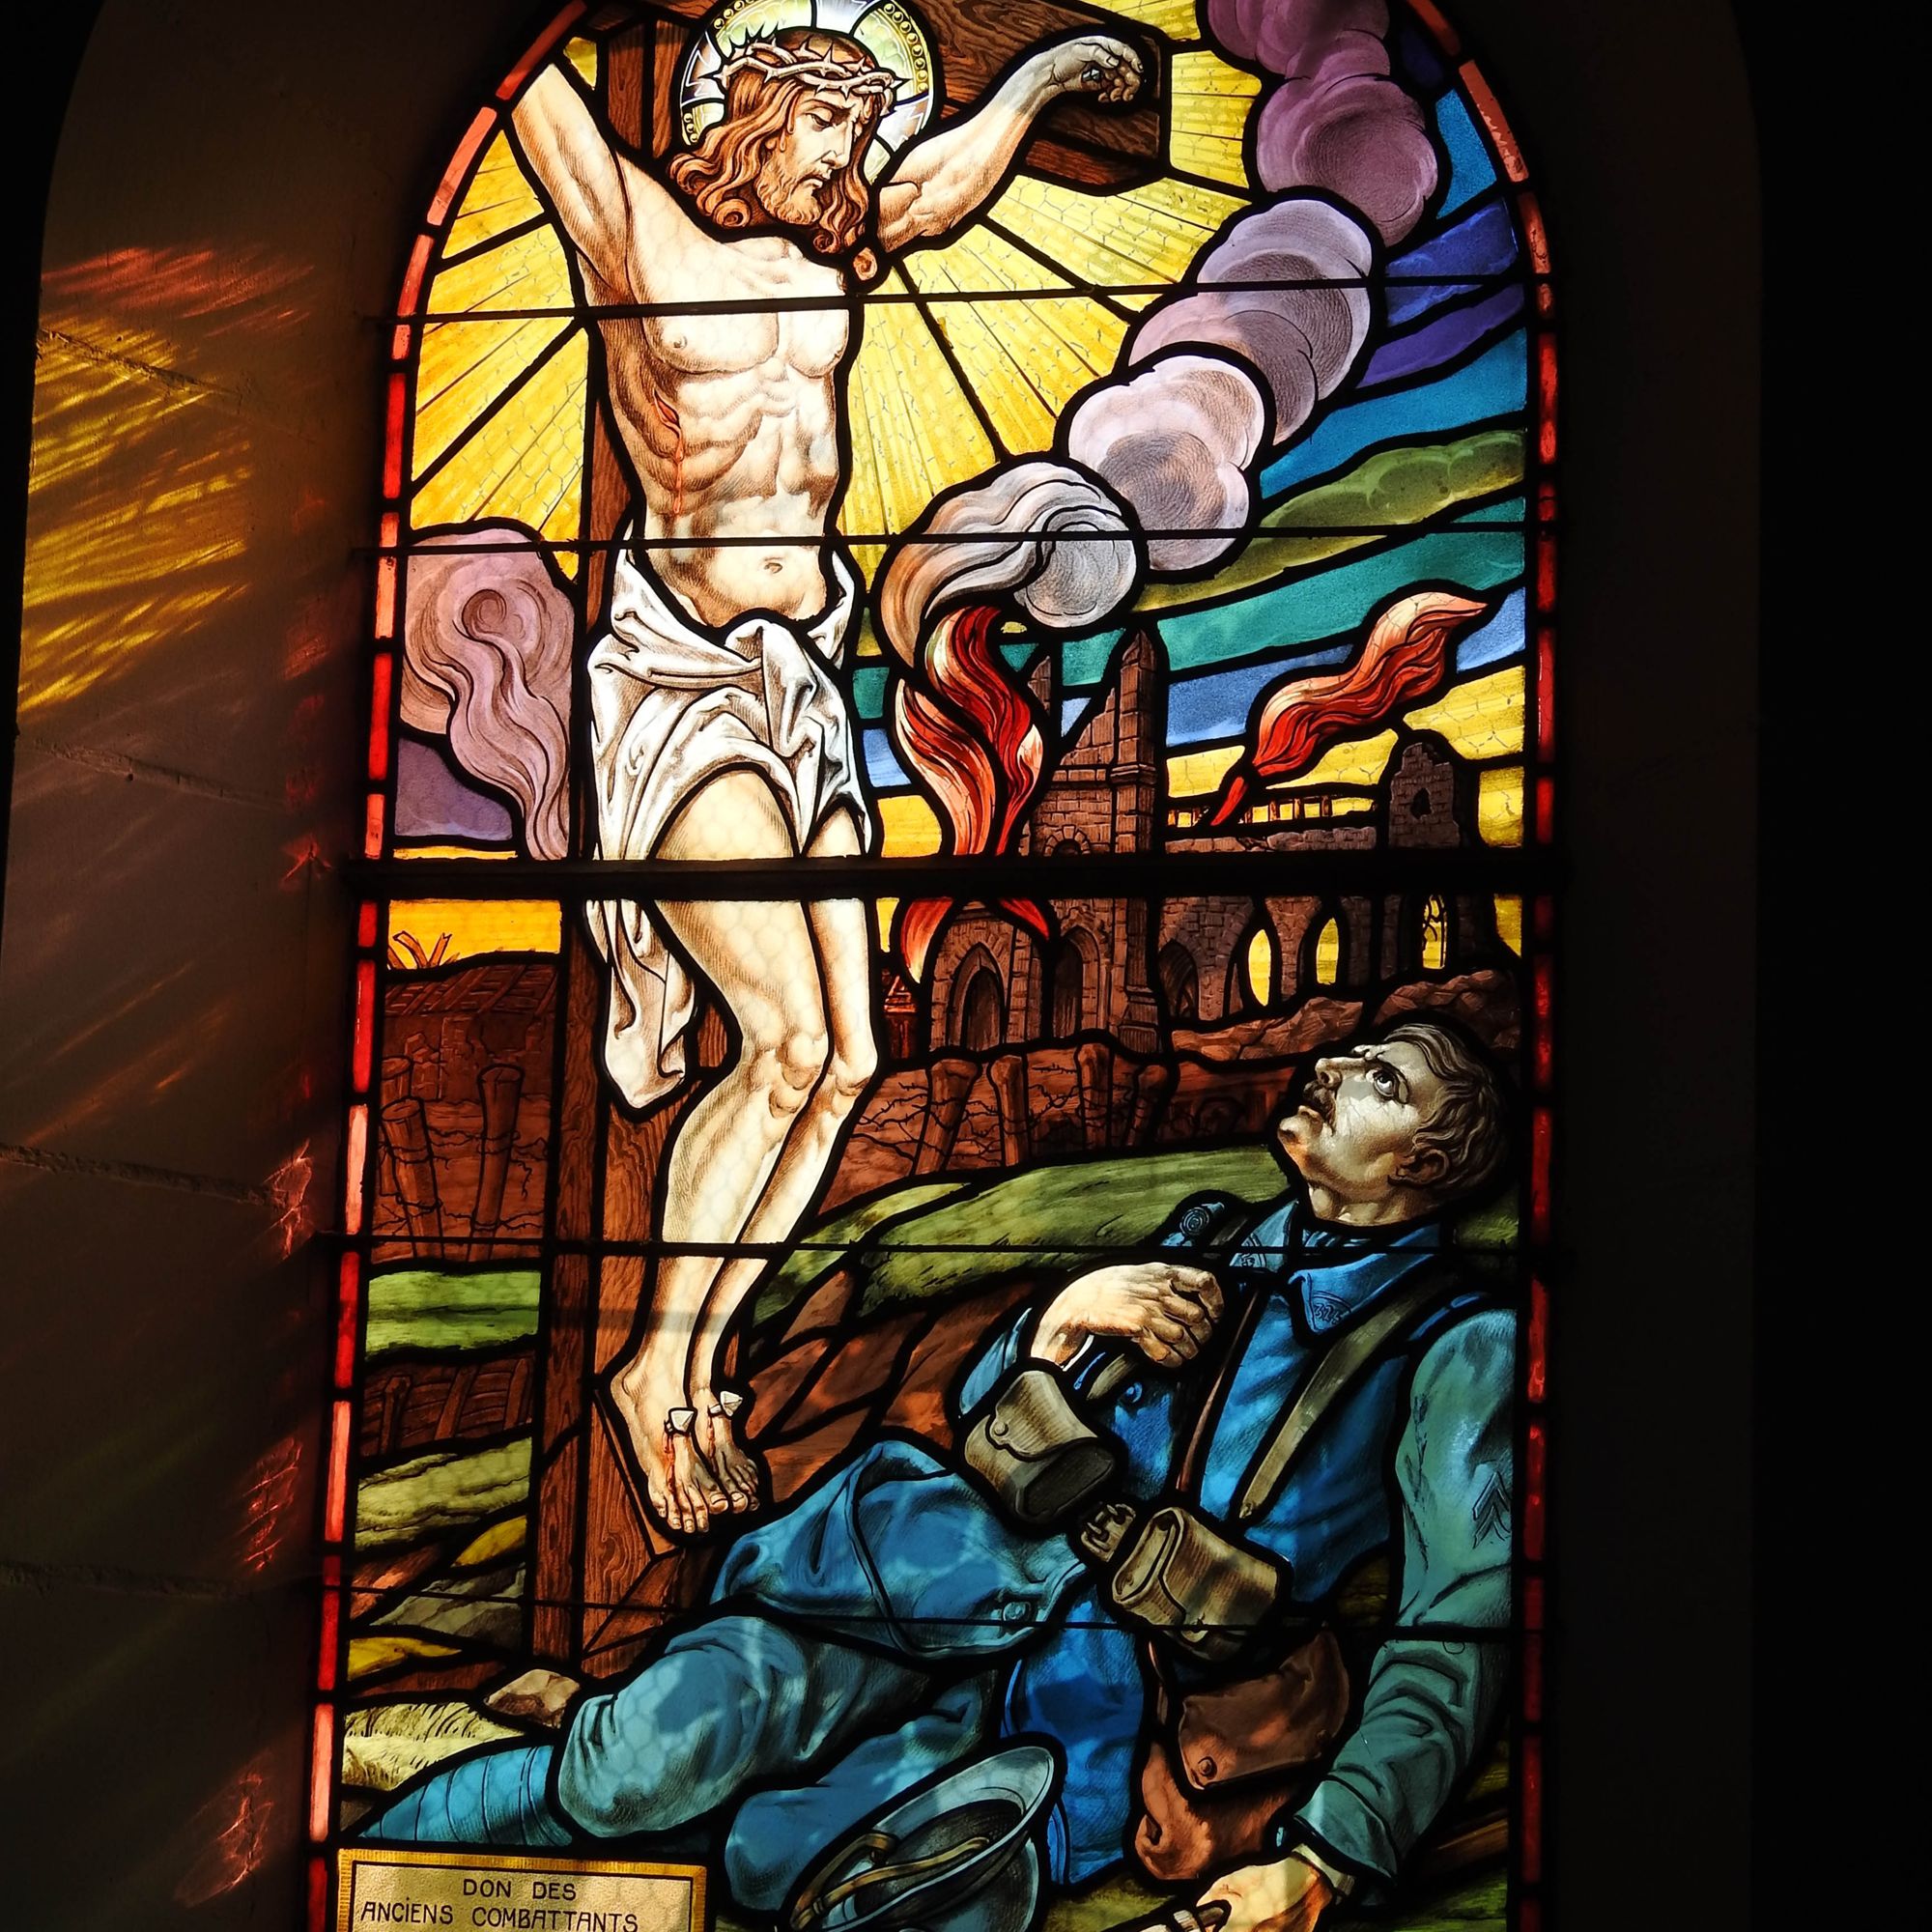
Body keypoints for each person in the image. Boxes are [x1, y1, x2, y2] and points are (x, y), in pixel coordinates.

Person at [369, 1019, 1518, 1931]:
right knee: (631, 1766)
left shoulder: (1455, 1344)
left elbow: (1451, 1637)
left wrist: (1327, 1856)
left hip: (1086, 1712)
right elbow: (989, 1410)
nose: (1329, 1065)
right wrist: (1061, 1319)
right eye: (1352, 1054)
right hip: (896, 1578)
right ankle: (366, 1881)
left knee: (780, 1865)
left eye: (1380, 1078)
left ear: (1424, 1161)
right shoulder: (1208, 1233)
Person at [505, 21, 1145, 1537]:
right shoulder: (643, 245)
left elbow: (942, 186)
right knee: (782, 1036)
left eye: (864, 138)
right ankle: (654, 1373)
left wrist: (1041, 83)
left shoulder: (842, 258)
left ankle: (695, 1356)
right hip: (681, 683)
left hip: (798, 688)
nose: (852, 164)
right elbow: (545, 115)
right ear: (754, 119)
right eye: (828, 133)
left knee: (848, 1059)